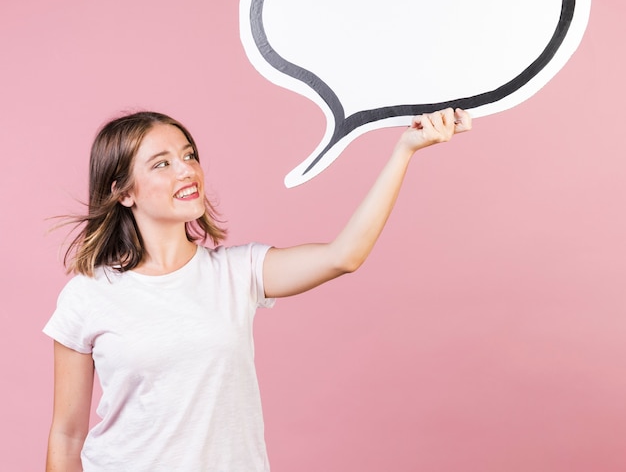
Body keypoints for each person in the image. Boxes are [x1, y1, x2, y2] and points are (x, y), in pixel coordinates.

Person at [44, 107, 472, 472]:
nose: (187, 169)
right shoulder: (88, 296)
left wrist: (405, 150)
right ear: (123, 192)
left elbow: (345, 255)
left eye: (189, 155)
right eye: (162, 163)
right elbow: (67, 434)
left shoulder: (238, 272)